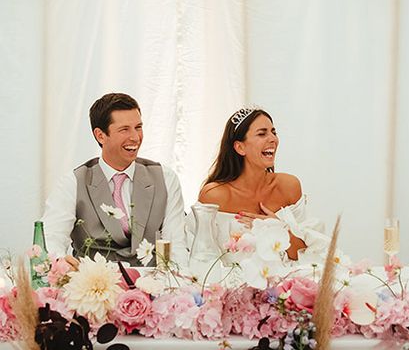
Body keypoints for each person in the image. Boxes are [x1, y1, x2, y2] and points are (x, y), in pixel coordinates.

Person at [42, 93, 187, 265]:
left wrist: (179, 287)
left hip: (154, 286)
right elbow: (50, 240)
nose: (135, 137)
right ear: (100, 135)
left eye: (138, 127)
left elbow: (177, 245)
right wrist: (60, 264)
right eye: (124, 129)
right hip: (94, 286)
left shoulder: (166, 178)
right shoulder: (72, 183)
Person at [199, 107, 323, 262]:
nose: (273, 139)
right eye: (262, 133)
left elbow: (305, 255)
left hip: (288, 282)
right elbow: (201, 256)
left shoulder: (288, 186)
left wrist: (276, 227)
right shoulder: (215, 195)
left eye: (273, 132)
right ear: (240, 147)